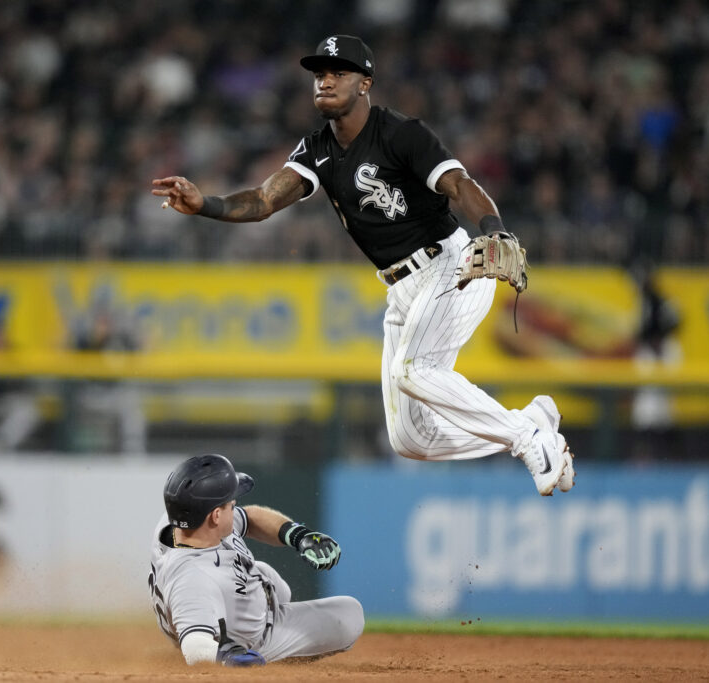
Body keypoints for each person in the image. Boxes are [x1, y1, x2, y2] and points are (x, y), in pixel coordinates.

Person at [152, 35, 574, 496]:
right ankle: (528, 424)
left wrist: (494, 229)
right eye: (319, 73)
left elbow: (459, 184)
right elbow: (262, 200)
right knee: (412, 439)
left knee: (411, 372)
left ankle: (527, 437)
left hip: (449, 266)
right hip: (402, 288)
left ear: (365, 83)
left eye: (338, 72)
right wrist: (204, 204)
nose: (325, 81)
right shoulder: (316, 149)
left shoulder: (400, 133)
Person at [147, 453, 364, 666]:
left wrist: (298, 536)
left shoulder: (187, 522)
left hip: (229, 604)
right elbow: (195, 647)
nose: (236, 507)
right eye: (231, 505)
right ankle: (276, 655)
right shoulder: (193, 579)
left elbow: (250, 517)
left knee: (266, 573)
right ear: (215, 516)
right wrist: (228, 656)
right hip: (253, 638)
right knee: (350, 614)